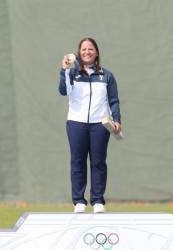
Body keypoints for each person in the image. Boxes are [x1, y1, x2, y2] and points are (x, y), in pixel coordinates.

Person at [58, 37, 121, 213]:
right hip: (76, 123)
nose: (87, 52)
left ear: (96, 53)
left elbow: (114, 101)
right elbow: (63, 91)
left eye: (90, 49)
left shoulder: (106, 76)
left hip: (100, 125)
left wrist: (116, 120)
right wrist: (65, 70)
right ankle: (79, 201)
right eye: (84, 49)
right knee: (77, 161)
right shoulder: (73, 73)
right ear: (79, 53)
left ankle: (98, 200)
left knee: (99, 162)